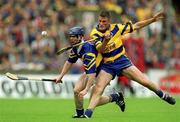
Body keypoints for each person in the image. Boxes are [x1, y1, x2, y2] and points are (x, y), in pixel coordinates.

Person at [82, 10, 176, 118]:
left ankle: (164, 95)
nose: (101, 24)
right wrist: (106, 40)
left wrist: (153, 20)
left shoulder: (117, 28)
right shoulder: (95, 33)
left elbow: (136, 26)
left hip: (121, 61)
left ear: (109, 21)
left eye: (104, 21)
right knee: (98, 90)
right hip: (107, 65)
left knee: (144, 81)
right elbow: (101, 49)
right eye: (100, 21)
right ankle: (88, 115)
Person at [55, 26, 125, 118]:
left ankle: (115, 97)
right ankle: (80, 114)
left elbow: (92, 73)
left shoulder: (88, 52)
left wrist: (86, 90)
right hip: (89, 72)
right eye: (70, 36)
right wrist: (61, 76)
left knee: (93, 100)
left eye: (74, 36)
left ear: (80, 37)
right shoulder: (76, 48)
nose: (71, 39)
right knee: (76, 91)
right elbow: (69, 62)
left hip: (101, 72)